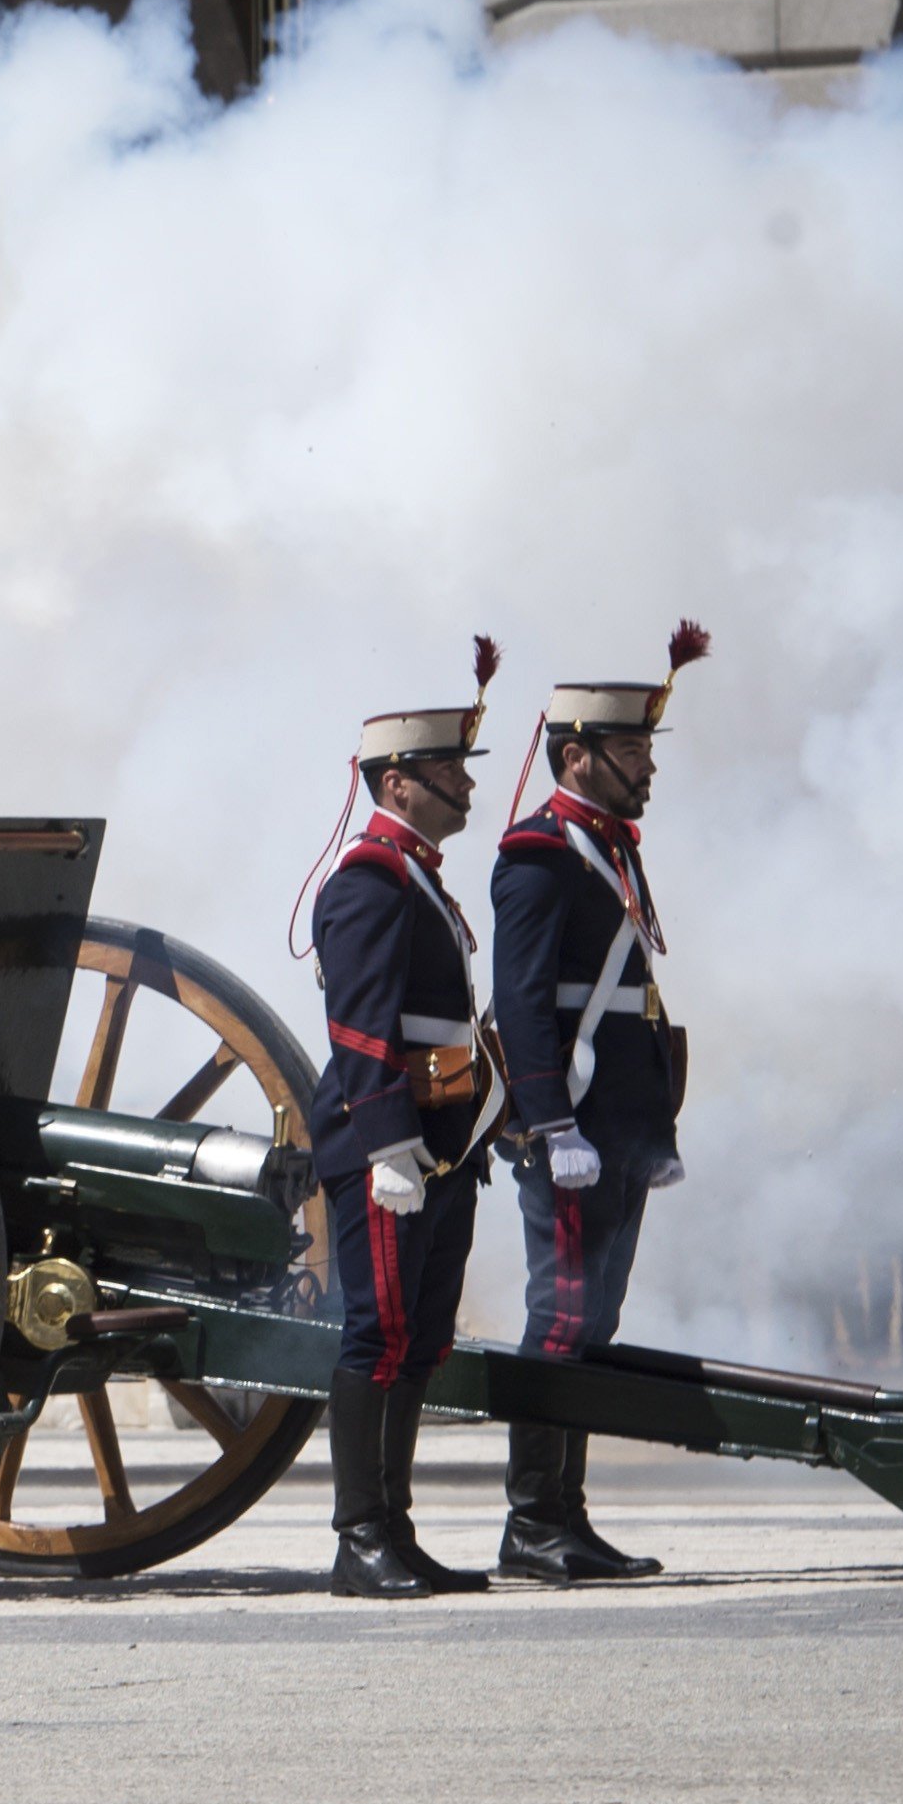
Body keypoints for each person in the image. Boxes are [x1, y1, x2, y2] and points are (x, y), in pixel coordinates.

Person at [486, 624, 706, 1581]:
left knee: (593, 1321)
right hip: (572, 1122)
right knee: (561, 1319)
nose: (647, 767)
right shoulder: (539, 853)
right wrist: (550, 1121)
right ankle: (535, 1521)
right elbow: (525, 997)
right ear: (577, 756)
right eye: (632, 751)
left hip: (617, 1122)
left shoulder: (601, 846)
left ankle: (564, 1514)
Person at [303, 642, 503, 1599]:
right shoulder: (371, 879)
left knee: (422, 1335)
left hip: (442, 1143)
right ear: (398, 781)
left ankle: (397, 1529)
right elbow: (360, 1024)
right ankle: (359, 1537)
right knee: (376, 1332)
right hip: (392, 1144)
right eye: (449, 771)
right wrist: (387, 1143)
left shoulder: (414, 873)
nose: (465, 787)